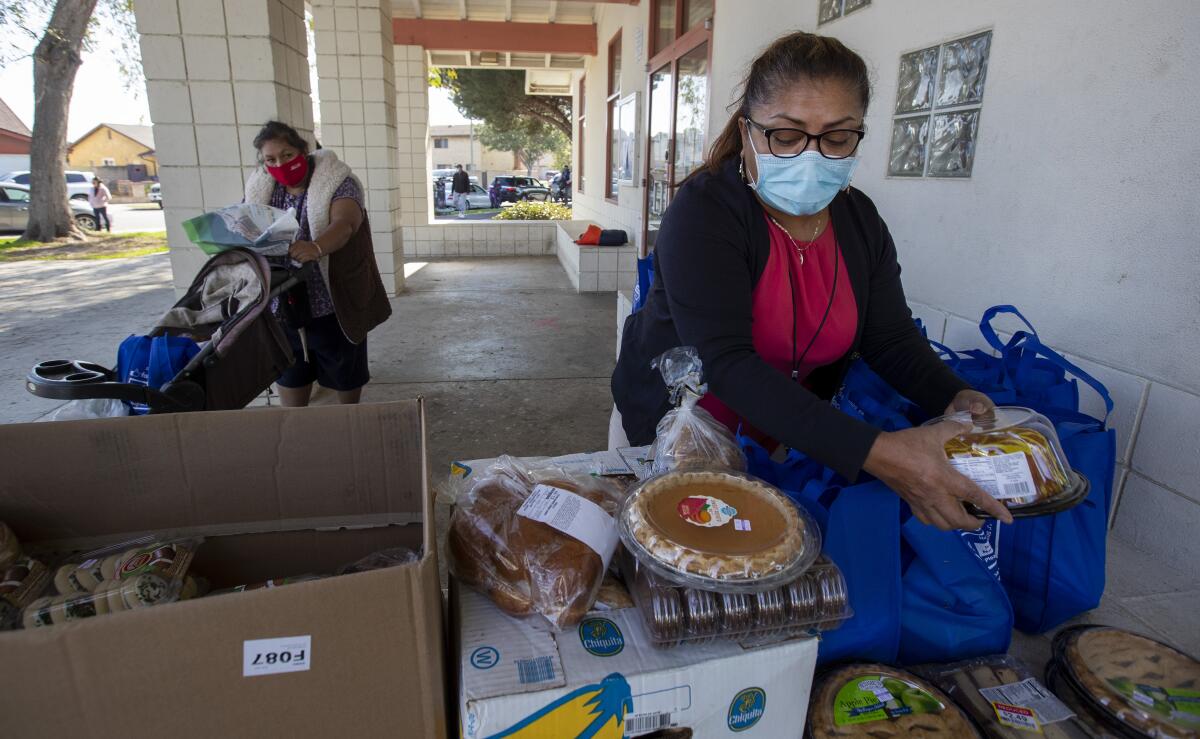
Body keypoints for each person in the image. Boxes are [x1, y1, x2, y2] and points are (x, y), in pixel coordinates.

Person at [611, 32, 1011, 532]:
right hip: (686, 435)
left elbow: (888, 337)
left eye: (838, 136)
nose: (812, 154)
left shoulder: (859, 220)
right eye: (787, 134)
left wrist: (952, 395)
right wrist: (879, 453)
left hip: (797, 433)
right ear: (749, 131)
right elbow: (727, 363)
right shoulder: (706, 212)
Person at [244, 120, 392, 407]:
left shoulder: (337, 181)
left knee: (346, 381)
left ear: (303, 150)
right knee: (290, 379)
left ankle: (348, 427)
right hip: (282, 305)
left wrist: (316, 247)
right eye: (271, 159)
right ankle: (299, 438)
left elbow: (346, 223)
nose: (280, 164)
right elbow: (247, 223)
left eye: (287, 155)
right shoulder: (263, 188)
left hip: (331, 304)